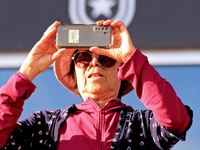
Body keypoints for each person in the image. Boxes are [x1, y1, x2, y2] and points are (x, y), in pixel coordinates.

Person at [0, 20, 192, 150]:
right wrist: (26, 72)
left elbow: (176, 120)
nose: (94, 63)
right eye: (83, 58)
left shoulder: (142, 125)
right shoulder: (45, 125)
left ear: (123, 73)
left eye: (106, 59)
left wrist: (133, 59)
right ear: (74, 73)